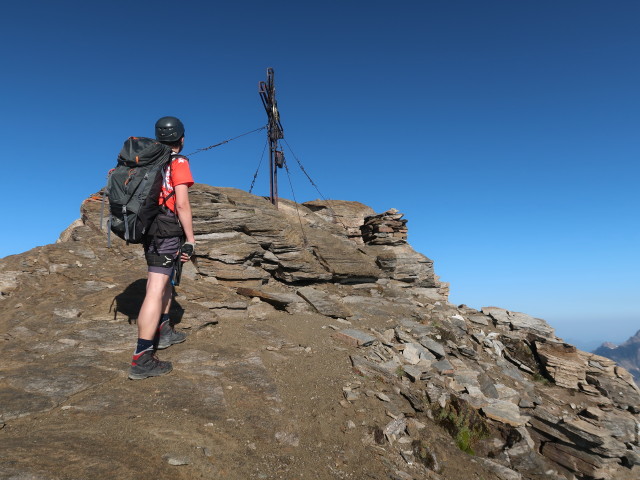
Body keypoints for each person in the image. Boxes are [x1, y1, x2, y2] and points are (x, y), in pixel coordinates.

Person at [128, 116, 196, 380]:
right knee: (155, 289)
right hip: (166, 229)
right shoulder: (178, 162)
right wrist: (190, 238)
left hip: (149, 227)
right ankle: (141, 358)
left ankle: (165, 331)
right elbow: (181, 204)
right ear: (182, 138)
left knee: (165, 282)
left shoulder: (149, 160)